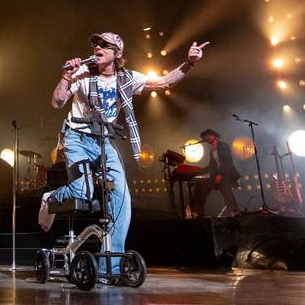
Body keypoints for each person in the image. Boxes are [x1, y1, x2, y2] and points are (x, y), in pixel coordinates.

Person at [41, 32, 208, 276]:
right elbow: (57, 102)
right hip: (77, 137)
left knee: (121, 198)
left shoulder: (128, 78)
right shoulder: (83, 73)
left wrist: (190, 62)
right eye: (96, 44)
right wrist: (67, 76)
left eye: (104, 45)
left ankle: (111, 267)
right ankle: (51, 198)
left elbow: (165, 82)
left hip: (105, 140)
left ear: (117, 53)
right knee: (83, 190)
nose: (98, 47)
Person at [188, 128, 240, 218]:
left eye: (208, 136)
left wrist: (220, 175)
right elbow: (211, 167)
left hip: (227, 174)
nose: (206, 138)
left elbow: (227, 162)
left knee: (225, 186)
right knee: (199, 186)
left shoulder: (223, 146)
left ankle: (234, 212)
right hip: (216, 176)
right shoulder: (211, 151)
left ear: (214, 136)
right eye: (205, 137)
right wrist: (196, 172)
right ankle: (199, 213)